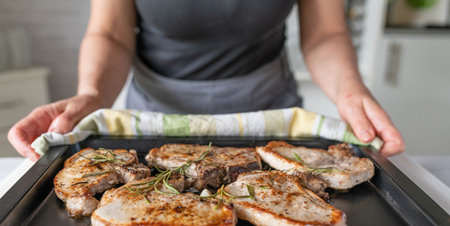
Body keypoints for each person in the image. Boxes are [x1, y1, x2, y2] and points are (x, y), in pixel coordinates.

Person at [8, 0, 404, 161]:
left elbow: (325, 33)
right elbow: (110, 33)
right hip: (157, 114)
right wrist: (92, 94)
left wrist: (350, 90)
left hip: (267, 109)